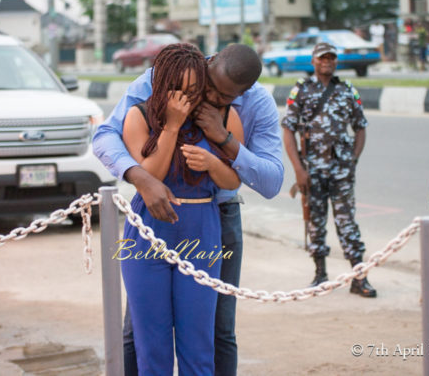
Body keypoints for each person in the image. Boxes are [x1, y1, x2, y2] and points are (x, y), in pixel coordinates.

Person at [93, 43, 284, 376]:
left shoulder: (254, 105)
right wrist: (141, 178)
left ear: (242, 93)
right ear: (206, 66)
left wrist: (223, 139)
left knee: (215, 332)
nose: (207, 97)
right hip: (153, 219)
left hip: (215, 219)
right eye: (206, 86)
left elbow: (269, 182)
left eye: (223, 97)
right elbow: (106, 135)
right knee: (140, 332)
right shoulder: (165, 78)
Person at [118, 43, 243, 374]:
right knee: (151, 343)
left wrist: (213, 164)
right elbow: (151, 176)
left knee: (198, 342)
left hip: (201, 227)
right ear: (161, 85)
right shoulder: (139, 116)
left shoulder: (224, 117)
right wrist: (172, 126)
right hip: (148, 231)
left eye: (192, 91)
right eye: (176, 90)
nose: (184, 100)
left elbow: (233, 181)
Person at [281, 42, 377, 298]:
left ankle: (359, 276)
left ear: (336, 61)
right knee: (316, 222)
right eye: (322, 58)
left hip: (341, 171)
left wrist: (353, 161)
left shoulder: (347, 90)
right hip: (312, 170)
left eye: (331, 58)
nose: (327, 61)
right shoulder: (301, 90)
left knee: (347, 223)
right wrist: (298, 169)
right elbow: (288, 129)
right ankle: (320, 274)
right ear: (313, 61)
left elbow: (360, 127)